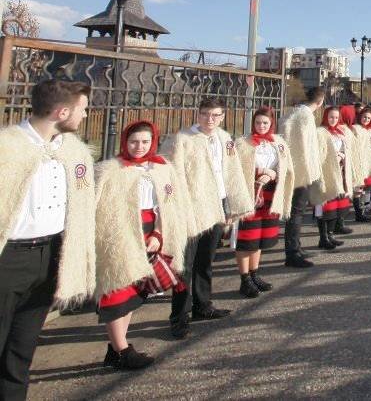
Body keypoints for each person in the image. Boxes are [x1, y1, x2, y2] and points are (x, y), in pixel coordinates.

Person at [0, 80, 95, 400]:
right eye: (82, 109)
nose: (86, 115)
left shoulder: (73, 150)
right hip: (9, 257)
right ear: (62, 111)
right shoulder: (7, 145)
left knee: (23, 346)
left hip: (51, 252)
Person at [95, 120, 189, 370]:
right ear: (125, 141)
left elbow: (165, 205)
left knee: (134, 293)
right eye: (134, 141)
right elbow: (102, 211)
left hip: (150, 234)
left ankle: (115, 348)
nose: (139, 146)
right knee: (117, 292)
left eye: (145, 142)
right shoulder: (112, 169)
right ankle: (122, 351)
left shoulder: (160, 168)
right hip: (122, 236)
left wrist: (158, 233)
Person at [162, 98, 252, 339]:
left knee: (206, 259)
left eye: (215, 115)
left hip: (218, 203)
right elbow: (174, 172)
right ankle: (179, 316)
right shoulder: (184, 139)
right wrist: (181, 206)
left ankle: (203, 305)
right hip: (194, 206)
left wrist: (235, 204)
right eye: (205, 115)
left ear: (222, 116)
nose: (209, 120)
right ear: (198, 114)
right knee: (186, 264)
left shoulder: (224, 138)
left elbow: (232, 171)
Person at [233, 107, 296, 297]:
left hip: (271, 194)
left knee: (259, 238)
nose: (261, 126)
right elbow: (235, 170)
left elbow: (286, 166)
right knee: (246, 239)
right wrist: (260, 173)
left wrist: (273, 173)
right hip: (250, 195)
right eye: (258, 122)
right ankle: (244, 279)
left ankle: (254, 274)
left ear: (272, 124)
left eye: (265, 123)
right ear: (253, 123)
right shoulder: (243, 143)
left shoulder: (278, 142)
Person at [281, 86, 327, 269]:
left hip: (294, 166)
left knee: (297, 212)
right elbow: (309, 147)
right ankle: (292, 252)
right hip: (303, 169)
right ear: (321, 101)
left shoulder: (294, 112)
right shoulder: (306, 116)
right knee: (297, 212)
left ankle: (295, 247)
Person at [315, 106, 353, 250]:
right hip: (327, 174)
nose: (334, 120)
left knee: (336, 207)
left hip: (340, 173)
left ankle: (330, 234)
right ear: (326, 117)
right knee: (326, 207)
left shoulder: (340, 132)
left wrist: (342, 156)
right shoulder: (320, 132)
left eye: (336, 118)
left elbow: (346, 151)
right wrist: (333, 157)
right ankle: (323, 237)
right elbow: (318, 154)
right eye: (331, 117)